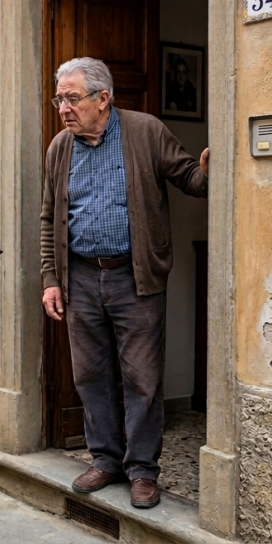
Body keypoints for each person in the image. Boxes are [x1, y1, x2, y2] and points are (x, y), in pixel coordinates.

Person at [40, 57, 209, 509]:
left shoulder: (145, 131)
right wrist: (51, 278)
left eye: (72, 98)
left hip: (134, 276)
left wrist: (209, 171)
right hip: (79, 275)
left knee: (142, 378)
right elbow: (49, 217)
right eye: (59, 99)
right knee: (89, 375)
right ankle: (106, 459)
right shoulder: (60, 147)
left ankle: (142, 470)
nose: (64, 108)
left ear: (103, 98)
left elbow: (189, 178)